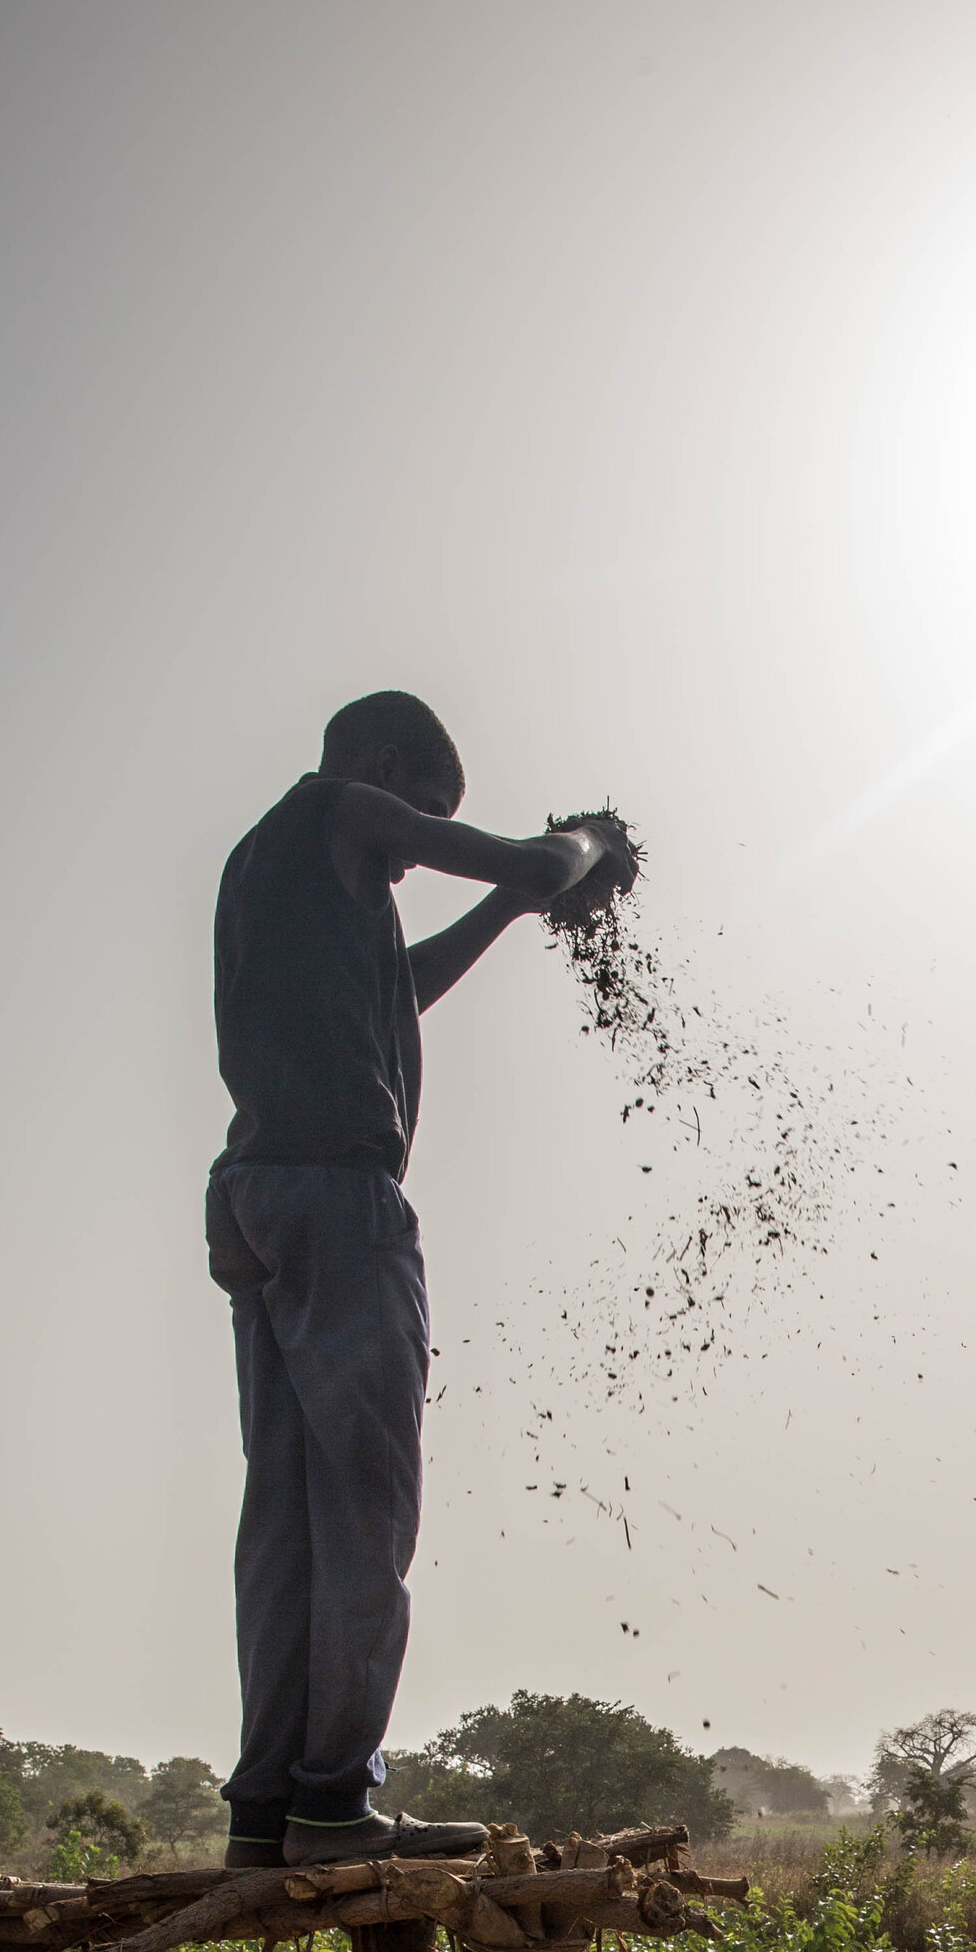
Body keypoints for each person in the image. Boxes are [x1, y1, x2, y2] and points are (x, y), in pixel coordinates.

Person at [205, 689, 634, 1866]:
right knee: (364, 1512)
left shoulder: (274, 869)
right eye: (420, 825)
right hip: (341, 1205)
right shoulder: (342, 811)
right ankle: (335, 1800)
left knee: (285, 1520)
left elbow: (406, 982)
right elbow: (540, 865)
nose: (405, 865)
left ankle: (267, 1812)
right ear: (386, 770)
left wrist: (502, 905)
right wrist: (586, 846)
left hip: (257, 1196)